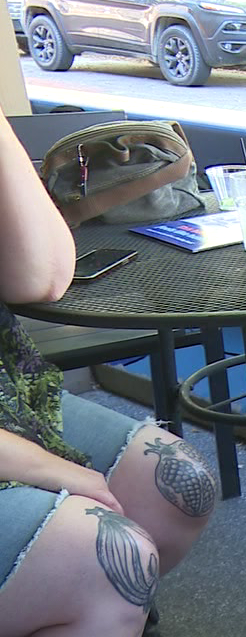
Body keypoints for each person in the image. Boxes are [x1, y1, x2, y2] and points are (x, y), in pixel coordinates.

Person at [0, 116, 217, 637]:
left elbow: (42, 275)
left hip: (10, 393)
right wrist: (58, 472)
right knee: (109, 559)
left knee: (179, 485)